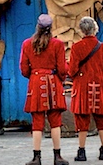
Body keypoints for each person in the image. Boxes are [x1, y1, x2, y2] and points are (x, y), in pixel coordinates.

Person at [19, 14, 69, 165]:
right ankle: (57, 156)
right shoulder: (58, 44)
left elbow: (23, 68)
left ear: (37, 27)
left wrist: (34, 75)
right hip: (53, 82)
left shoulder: (27, 44)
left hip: (35, 83)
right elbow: (62, 68)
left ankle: (36, 157)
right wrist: (59, 77)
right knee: (55, 121)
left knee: (37, 122)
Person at [69, 16, 103, 162]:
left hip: (82, 85)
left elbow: (72, 70)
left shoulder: (76, 47)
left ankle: (81, 151)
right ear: (95, 29)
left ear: (81, 30)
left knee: (82, 118)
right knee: (101, 118)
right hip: (99, 85)